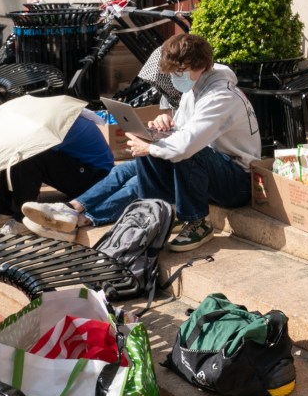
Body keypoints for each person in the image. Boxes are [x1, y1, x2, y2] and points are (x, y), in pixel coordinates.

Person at [23, 33, 260, 252]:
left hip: (237, 181)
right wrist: (163, 126)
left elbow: (188, 144)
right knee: (134, 168)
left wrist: (152, 146)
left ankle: (197, 221)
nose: (175, 78)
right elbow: (185, 132)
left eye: (180, 71)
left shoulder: (221, 96)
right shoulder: (195, 89)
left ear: (200, 65)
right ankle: (76, 213)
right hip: (205, 172)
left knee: (167, 153)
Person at [0, 111, 115, 235]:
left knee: (28, 156)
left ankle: (21, 220)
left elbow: (33, 148)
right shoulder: (62, 117)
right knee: (16, 153)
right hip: (83, 169)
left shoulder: (65, 125)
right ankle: (3, 211)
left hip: (95, 178)